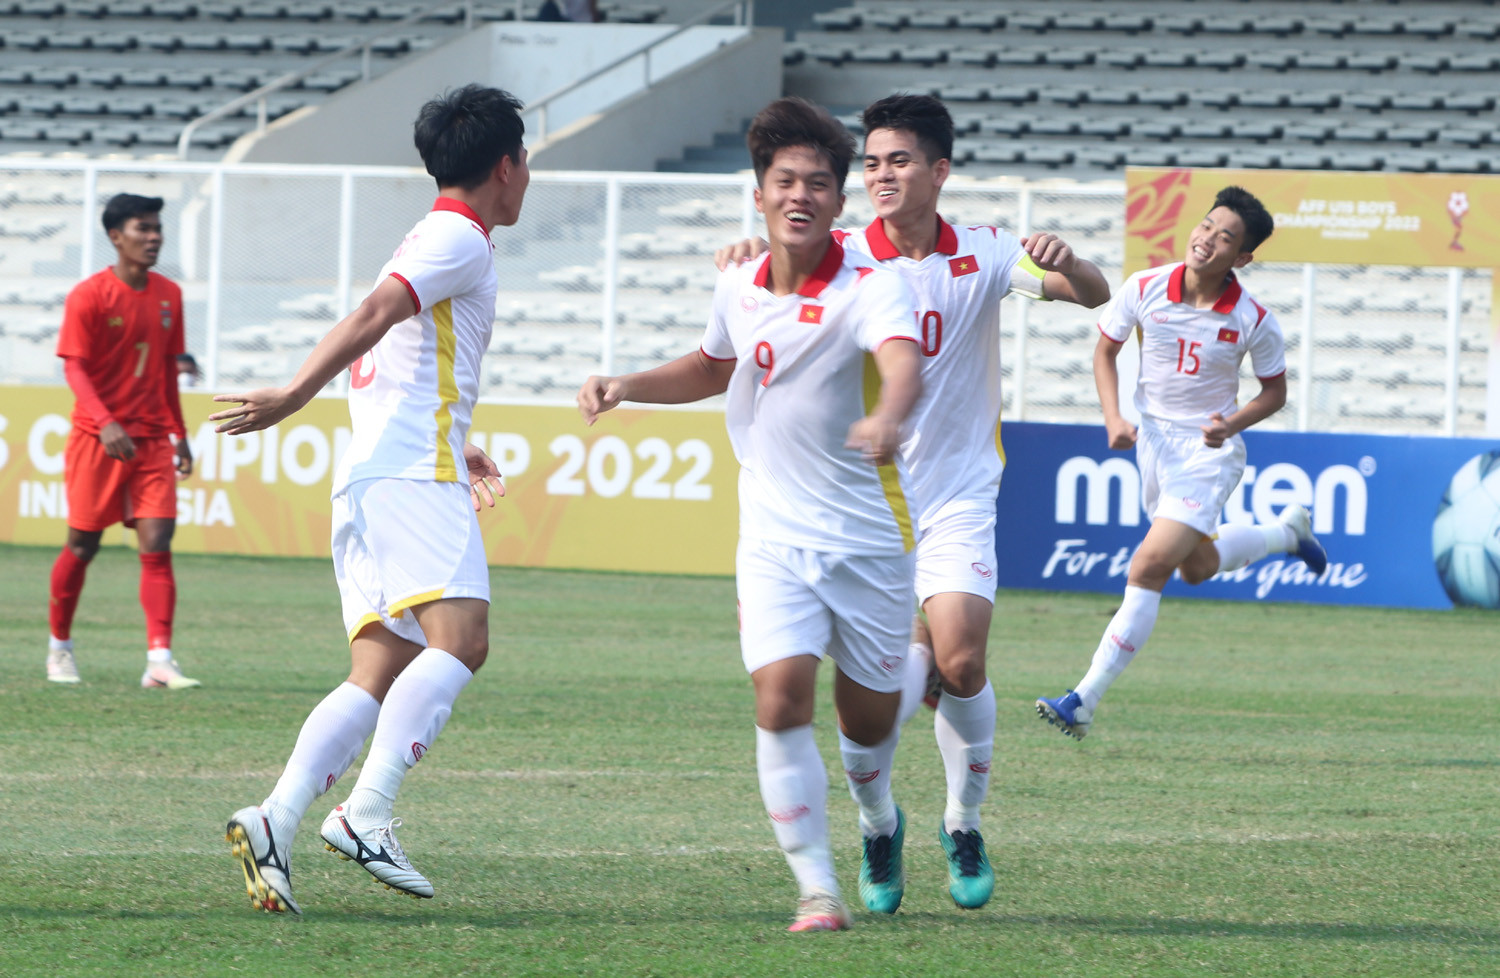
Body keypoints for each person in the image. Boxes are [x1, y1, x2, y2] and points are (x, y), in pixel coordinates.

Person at [716, 93, 1110, 909]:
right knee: (876, 695)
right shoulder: (844, 255)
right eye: (870, 163)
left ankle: (962, 820)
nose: (881, 175)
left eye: (898, 161)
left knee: (961, 661)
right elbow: (763, 295)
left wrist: (1069, 261)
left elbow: (1094, 295)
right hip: (862, 505)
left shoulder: (989, 253)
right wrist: (755, 252)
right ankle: (876, 823)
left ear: (939, 170)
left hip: (958, 492)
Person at [578, 96, 924, 933]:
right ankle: (818, 889)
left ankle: (916, 699)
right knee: (780, 699)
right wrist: (628, 384)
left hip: (869, 542)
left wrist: (888, 417)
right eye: (784, 180)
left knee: (867, 727)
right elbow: (710, 366)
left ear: (839, 203)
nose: (799, 194)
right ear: (760, 193)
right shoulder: (737, 281)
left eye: (816, 183)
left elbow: (902, 362)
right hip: (773, 536)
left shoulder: (871, 289)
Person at [211, 84, 528, 914]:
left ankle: (276, 817)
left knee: (380, 666)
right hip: (406, 479)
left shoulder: (432, 236)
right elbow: (375, 313)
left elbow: (400, 352)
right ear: (506, 164)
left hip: (375, 473)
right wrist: (291, 394)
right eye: (526, 163)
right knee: (462, 642)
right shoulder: (461, 239)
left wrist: (454, 437)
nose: (528, 177)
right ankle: (368, 813)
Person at [1035, 186, 1328, 741]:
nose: (1208, 240)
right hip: (1153, 446)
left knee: (1147, 567)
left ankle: (1083, 699)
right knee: (1196, 567)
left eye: (1226, 238)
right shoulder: (1144, 287)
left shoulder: (1253, 319)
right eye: (1206, 226)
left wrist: (1231, 424)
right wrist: (1113, 417)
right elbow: (1104, 351)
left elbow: (1274, 393)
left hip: (1207, 454)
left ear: (1242, 258)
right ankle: (1287, 534)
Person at [47, 192, 197, 689]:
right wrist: (105, 420)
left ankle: (159, 660)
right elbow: (74, 366)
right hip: (99, 439)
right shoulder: (89, 296)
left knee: (158, 543)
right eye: (142, 229)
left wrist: (180, 433)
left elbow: (167, 372)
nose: (154, 237)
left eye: (157, 228)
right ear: (116, 237)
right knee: (83, 543)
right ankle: (60, 648)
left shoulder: (169, 295)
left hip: (153, 438)